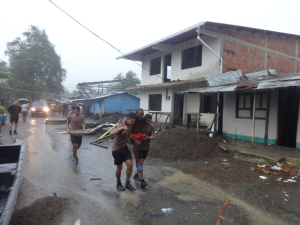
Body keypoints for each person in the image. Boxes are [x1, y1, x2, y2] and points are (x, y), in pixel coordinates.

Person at [110, 112, 136, 191]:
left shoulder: (129, 125)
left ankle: (127, 183)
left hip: (124, 148)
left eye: (134, 121)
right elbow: (111, 133)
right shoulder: (121, 125)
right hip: (117, 149)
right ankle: (118, 183)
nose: (133, 123)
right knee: (120, 167)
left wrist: (130, 142)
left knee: (130, 165)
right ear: (128, 119)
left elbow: (126, 138)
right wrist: (121, 128)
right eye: (132, 121)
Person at [133, 114, 155, 187]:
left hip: (146, 147)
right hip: (139, 146)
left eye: (150, 120)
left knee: (141, 163)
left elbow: (153, 137)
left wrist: (147, 138)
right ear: (145, 120)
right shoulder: (140, 125)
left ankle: (136, 174)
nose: (149, 122)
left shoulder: (152, 126)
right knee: (141, 162)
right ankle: (142, 180)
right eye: (148, 120)